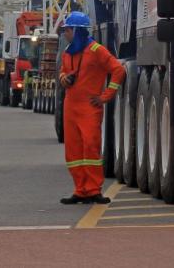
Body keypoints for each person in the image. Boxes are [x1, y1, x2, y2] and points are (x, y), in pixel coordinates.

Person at [57, 11, 125, 205]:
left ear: (77, 31)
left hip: (89, 108)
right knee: (73, 150)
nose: (65, 34)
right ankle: (80, 190)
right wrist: (64, 79)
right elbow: (62, 73)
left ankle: (94, 190)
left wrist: (106, 96)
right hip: (71, 107)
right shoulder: (68, 52)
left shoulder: (97, 50)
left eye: (68, 30)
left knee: (91, 147)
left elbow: (118, 70)